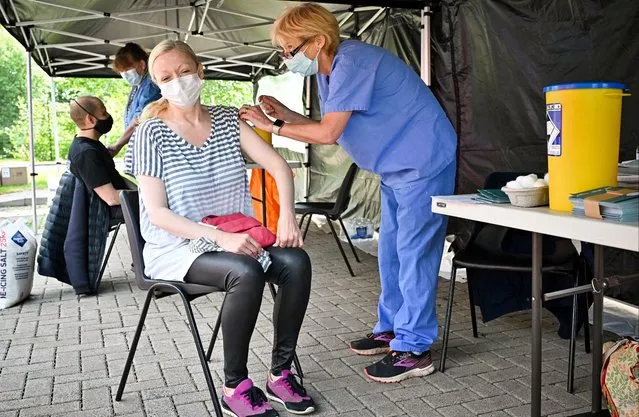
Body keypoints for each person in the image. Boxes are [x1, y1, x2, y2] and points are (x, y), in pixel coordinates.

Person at [239, 3, 457, 384]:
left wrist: (272, 125)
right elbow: (328, 125)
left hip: (423, 164)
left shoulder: (353, 61)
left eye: (289, 49)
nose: (286, 58)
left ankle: (414, 348)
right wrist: (286, 115)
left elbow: (327, 135)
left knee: (414, 253)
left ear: (318, 40)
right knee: (390, 253)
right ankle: (391, 328)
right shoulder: (332, 68)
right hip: (396, 169)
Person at [132, 40, 315, 417]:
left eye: (183, 72)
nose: (177, 82)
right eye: (166, 77)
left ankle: (280, 374)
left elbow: (280, 167)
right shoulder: (151, 132)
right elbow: (158, 214)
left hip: (235, 236)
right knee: (246, 271)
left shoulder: (229, 120)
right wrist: (220, 238)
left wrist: (287, 217)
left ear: (200, 70)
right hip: (177, 247)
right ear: (157, 84)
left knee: (296, 262)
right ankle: (235, 385)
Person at [68, 96, 128, 220]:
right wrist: (145, 196)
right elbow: (111, 198)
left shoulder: (90, 145)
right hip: (111, 209)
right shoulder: (86, 153)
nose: (108, 116)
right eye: (104, 113)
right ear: (90, 119)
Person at [108, 42, 161, 156]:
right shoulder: (138, 85)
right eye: (121, 72)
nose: (124, 75)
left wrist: (118, 145)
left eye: (127, 69)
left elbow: (139, 119)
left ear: (142, 64)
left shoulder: (150, 87)